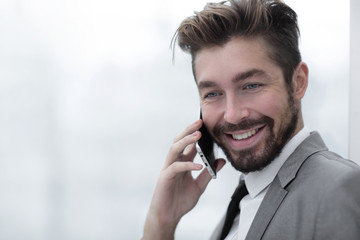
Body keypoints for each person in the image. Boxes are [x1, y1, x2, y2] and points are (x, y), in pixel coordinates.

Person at [142, 0, 360, 239]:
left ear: (298, 82)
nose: (233, 115)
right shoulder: (239, 210)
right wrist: (161, 223)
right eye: (213, 94)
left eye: (251, 85)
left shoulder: (340, 189)